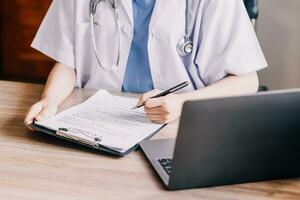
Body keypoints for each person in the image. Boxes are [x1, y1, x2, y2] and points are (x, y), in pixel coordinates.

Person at [24, 0, 267, 129]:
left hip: (179, 126)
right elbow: (68, 62)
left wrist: (183, 102)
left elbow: (247, 80)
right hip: (96, 123)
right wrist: (50, 100)